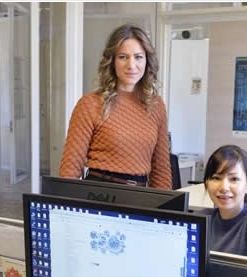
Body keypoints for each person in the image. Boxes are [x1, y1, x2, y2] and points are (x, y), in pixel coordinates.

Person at [58, 24, 172, 189]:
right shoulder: (90, 104)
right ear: (112, 61)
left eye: (138, 57)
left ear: (147, 61)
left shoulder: (156, 106)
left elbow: (161, 170)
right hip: (99, 194)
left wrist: (165, 210)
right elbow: (70, 169)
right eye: (123, 57)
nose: (131, 65)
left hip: (141, 196)